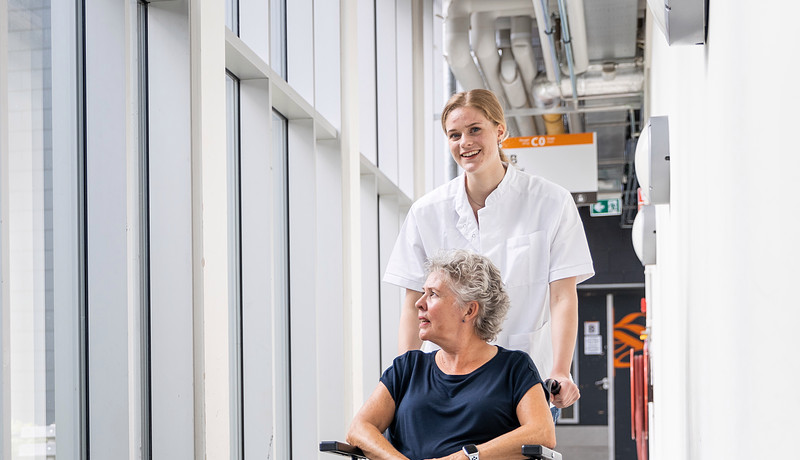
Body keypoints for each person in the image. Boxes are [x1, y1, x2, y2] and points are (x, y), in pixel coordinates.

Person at [383, 89, 594, 421]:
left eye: (475, 129)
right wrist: (403, 380)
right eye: (455, 134)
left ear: (500, 131)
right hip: (443, 384)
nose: (464, 141)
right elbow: (413, 304)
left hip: (523, 383)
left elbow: (563, 297)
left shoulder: (551, 202)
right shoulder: (427, 212)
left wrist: (560, 370)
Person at [347, 249, 555, 460]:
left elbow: (542, 433)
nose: (419, 303)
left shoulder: (514, 368)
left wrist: (466, 457)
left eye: (433, 294)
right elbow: (359, 428)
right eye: (423, 292)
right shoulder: (408, 367)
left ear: (469, 310)